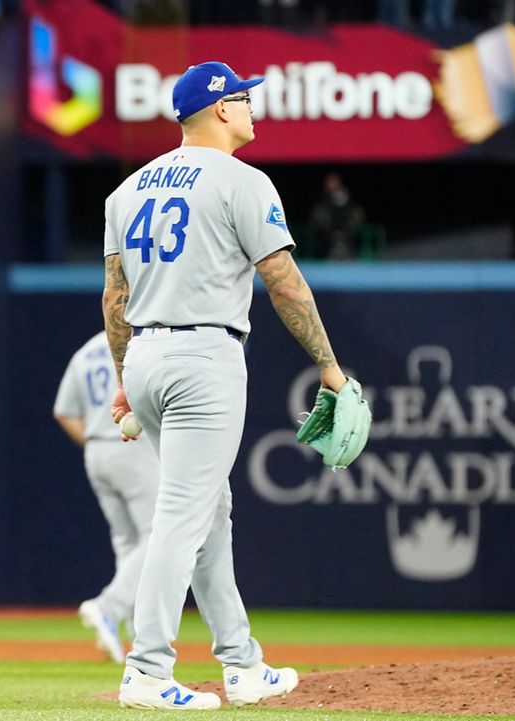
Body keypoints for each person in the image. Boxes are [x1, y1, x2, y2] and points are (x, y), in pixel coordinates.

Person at [102, 61, 350, 709]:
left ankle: (241, 663)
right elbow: (283, 278)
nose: (251, 106)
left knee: (210, 515)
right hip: (204, 354)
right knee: (183, 517)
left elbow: (114, 296)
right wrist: (327, 361)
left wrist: (127, 377)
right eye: (243, 96)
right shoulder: (243, 181)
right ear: (218, 109)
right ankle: (147, 670)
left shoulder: (126, 190)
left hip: (149, 354)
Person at [53, 332, 159, 664]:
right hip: (133, 444)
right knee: (158, 535)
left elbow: (63, 412)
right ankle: (109, 608)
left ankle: (134, 631)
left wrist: (97, 448)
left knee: (129, 542)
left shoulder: (86, 350)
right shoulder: (143, 341)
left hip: (96, 450)